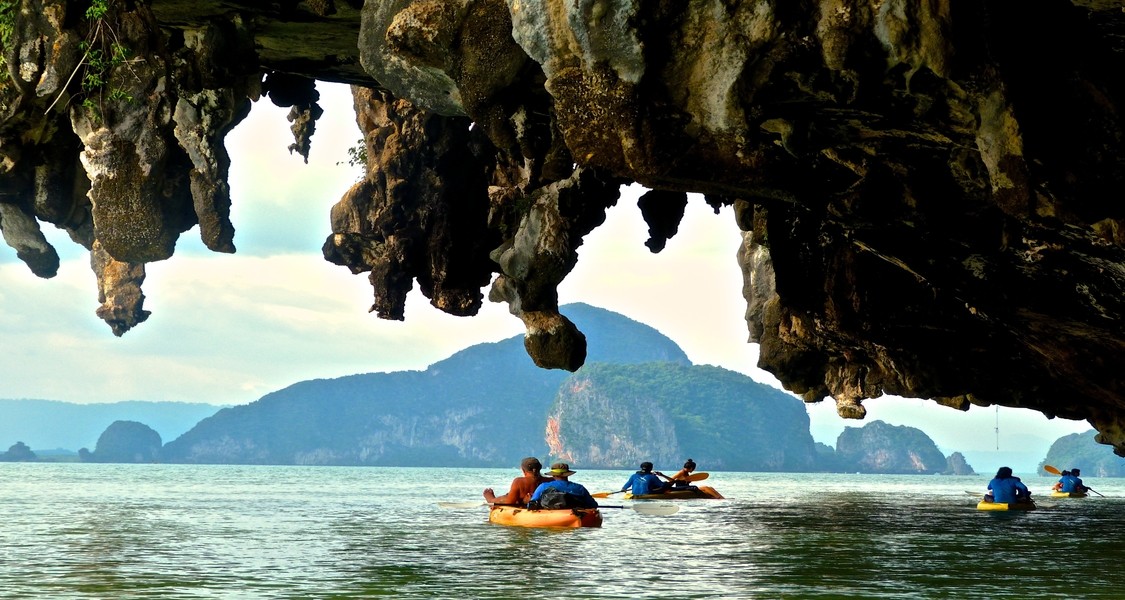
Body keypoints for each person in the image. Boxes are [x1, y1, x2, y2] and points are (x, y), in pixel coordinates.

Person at [483, 457, 551, 506]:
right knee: (507, 496)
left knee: (505, 497)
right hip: (540, 505)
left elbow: (510, 502)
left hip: (524, 505)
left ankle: (491, 500)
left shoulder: (519, 481)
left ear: (523, 470)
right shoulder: (549, 480)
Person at [528, 462, 599, 509]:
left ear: (553, 474)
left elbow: (531, 505)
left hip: (552, 516)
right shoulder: (580, 488)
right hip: (574, 513)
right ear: (567, 474)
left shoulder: (543, 486)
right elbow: (593, 505)